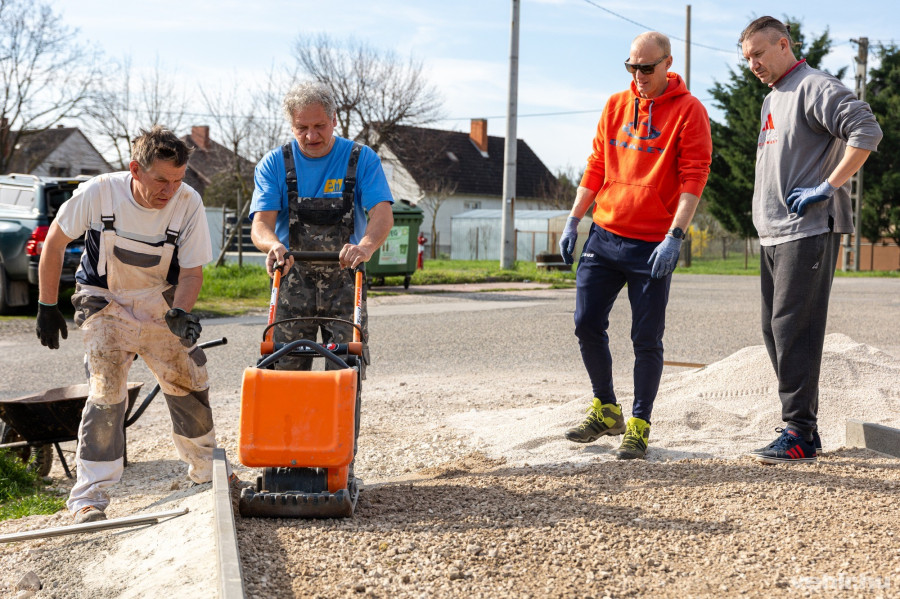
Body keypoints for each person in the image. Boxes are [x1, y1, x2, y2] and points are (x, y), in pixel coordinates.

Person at [35, 126, 230, 524]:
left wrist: (182, 312)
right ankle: (89, 497)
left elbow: (191, 271)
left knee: (189, 377)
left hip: (159, 299)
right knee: (107, 387)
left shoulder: (187, 202)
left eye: (178, 180)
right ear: (135, 170)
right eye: (161, 180)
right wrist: (46, 304)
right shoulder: (100, 192)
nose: (170, 190)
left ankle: (208, 473)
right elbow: (54, 242)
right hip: (103, 298)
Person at [559, 32, 712, 459]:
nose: (639, 76)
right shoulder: (614, 106)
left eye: (647, 68)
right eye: (631, 67)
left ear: (667, 64)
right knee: (586, 323)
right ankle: (606, 409)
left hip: (653, 245)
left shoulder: (689, 112)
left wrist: (674, 236)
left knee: (645, 338)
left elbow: (694, 177)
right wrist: (574, 219)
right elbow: (595, 165)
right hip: (605, 236)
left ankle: (640, 424)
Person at [739, 17, 882, 464]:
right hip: (774, 233)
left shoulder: (814, 86)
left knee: (792, 327)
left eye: (759, 54)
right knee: (773, 329)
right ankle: (797, 425)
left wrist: (828, 186)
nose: (753, 65)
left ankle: (801, 431)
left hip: (809, 228)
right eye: (747, 59)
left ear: (784, 44)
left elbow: (866, 131)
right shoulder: (771, 99)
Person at [250, 82, 394, 372]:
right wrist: (272, 245)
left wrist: (365, 247)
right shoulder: (275, 163)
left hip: (345, 284)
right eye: (302, 127)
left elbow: (382, 213)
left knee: (345, 371)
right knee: (284, 370)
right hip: (291, 282)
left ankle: (337, 419)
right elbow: (261, 224)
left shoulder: (361, 159)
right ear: (291, 125)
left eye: (319, 125)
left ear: (334, 119)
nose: (311, 135)